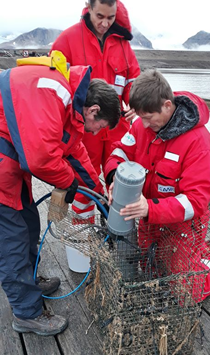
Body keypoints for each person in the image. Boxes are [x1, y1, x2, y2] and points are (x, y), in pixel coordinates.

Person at [0, 53, 121, 335]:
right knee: (12, 238)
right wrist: (69, 182)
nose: (95, 133)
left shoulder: (69, 102)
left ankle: (29, 281)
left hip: (10, 169)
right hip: (4, 169)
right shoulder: (51, 92)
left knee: (29, 223)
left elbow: (74, 152)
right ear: (92, 111)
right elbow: (40, 159)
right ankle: (26, 313)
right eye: (100, 127)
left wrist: (99, 194)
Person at [105, 69, 210, 302]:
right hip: (150, 216)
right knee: (151, 269)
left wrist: (150, 209)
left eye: (149, 117)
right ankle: (204, 251)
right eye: (141, 117)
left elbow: (196, 202)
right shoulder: (142, 125)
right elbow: (120, 152)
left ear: (167, 105)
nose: (145, 125)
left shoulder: (200, 145)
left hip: (184, 223)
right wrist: (113, 180)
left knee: (184, 291)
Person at [52, 0, 140, 222]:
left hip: (116, 128)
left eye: (110, 18)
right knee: (84, 182)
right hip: (83, 128)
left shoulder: (123, 44)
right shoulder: (67, 39)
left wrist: (137, 105)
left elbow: (133, 81)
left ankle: (118, 229)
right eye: (100, 16)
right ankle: (84, 234)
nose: (105, 23)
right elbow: (54, 84)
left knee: (120, 179)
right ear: (88, 7)